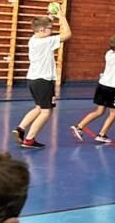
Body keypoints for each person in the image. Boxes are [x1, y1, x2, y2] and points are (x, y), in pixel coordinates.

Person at [13, 12, 72, 149]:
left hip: (33, 80)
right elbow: (68, 34)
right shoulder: (46, 42)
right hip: (43, 81)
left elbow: (42, 26)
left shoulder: (33, 39)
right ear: (41, 30)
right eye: (50, 28)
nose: (52, 30)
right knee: (46, 111)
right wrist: (62, 17)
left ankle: (20, 129)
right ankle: (29, 140)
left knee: (38, 108)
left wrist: (50, 18)